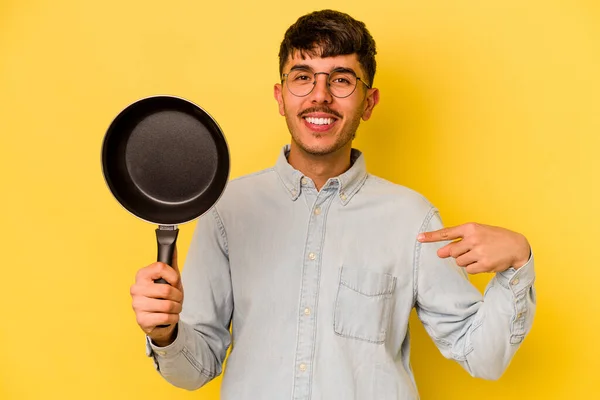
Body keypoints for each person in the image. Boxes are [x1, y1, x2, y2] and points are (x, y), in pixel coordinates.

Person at [130, 9, 536, 399]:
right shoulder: (227, 210)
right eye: (303, 77)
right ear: (280, 95)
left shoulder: (413, 218)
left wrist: (517, 264)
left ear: (369, 102)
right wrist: (165, 333)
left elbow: (482, 355)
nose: (320, 96)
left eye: (341, 79)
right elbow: (195, 369)